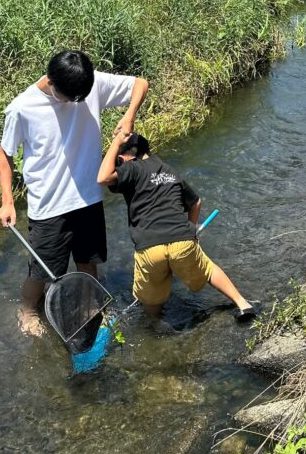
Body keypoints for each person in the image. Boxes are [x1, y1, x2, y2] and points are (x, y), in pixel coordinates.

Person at [0, 49, 149, 336]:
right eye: (70, 98)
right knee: (41, 272)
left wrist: (129, 116)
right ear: (52, 82)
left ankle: (92, 307)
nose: (77, 102)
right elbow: (5, 153)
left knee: (87, 261)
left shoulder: (89, 85)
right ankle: (27, 310)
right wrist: (7, 202)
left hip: (88, 197)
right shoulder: (22, 107)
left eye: (81, 97)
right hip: (48, 205)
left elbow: (140, 83)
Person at [97, 130, 256, 322]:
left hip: (149, 247)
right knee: (208, 269)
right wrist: (192, 228)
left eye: (120, 158)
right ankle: (242, 303)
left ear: (130, 154)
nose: (119, 161)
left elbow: (103, 178)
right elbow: (196, 202)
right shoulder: (170, 171)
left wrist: (115, 143)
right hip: (183, 240)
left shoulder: (133, 168)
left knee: (151, 300)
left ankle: (157, 330)